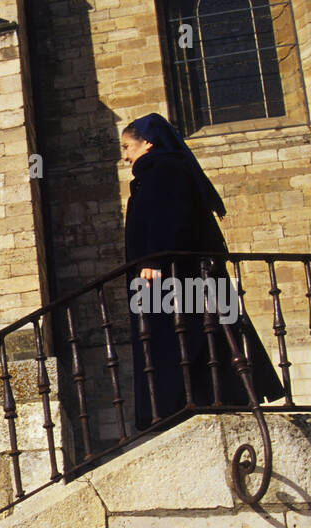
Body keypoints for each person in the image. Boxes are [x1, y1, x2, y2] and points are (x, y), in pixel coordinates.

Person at [121, 113, 283, 430]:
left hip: (176, 280)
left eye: (127, 146)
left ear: (148, 141)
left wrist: (153, 259)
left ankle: (191, 403)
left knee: (188, 340)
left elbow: (173, 220)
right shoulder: (156, 172)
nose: (125, 155)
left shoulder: (165, 170)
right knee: (183, 339)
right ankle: (185, 405)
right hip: (168, 281)